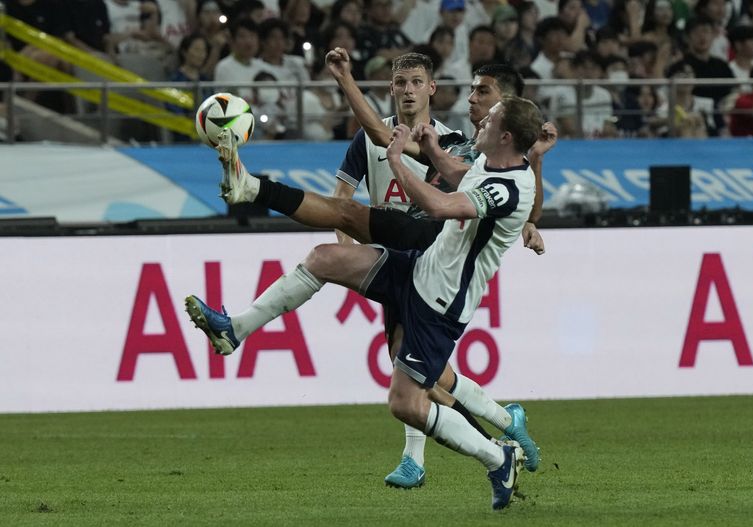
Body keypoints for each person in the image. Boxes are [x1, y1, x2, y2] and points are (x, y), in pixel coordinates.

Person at [196, 50, 552, 487]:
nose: (473, 100)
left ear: (506, 116)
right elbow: (401, 154)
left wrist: (355, 93)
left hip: (427, 251)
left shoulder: (467, 144)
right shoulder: (475, 156)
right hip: (412, 258)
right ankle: (501, 427)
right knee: (329, 261)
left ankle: (252, 188)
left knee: (411, 388)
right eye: (400, 82)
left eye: (484, 95)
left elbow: (457, 199)